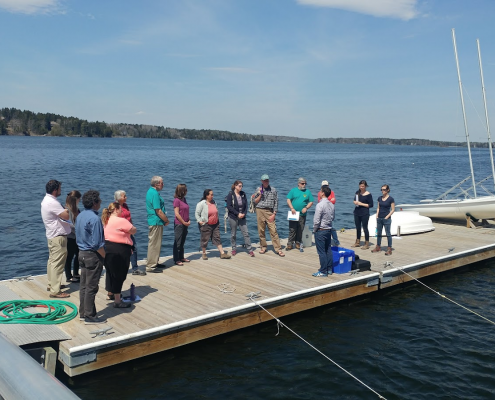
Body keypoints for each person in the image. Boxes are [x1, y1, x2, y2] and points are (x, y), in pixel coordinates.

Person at [76, 190, 107, 324]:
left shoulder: (80, 215)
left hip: (81, 253)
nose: (100, 202)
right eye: (99, 200)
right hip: (92, 256)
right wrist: (106, 258)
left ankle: (83, 312)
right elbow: (97, 244)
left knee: (83, 285)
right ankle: (90, 316)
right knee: (91, 287)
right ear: (95, 203)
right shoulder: (94, 219)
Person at [41, 179, 71, 298]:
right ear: (55, 190)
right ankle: (55, 290)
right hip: (58, 237)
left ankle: (51, 283)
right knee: (58, 263)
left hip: (51, 235)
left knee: (52, 261)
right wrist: (68, 208)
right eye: (59, 189)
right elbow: (66, 216)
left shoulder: (46, 200)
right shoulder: (53, 203)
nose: (60, 191)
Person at [102, 202, 134, 308]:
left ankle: (110, 293)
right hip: (120, 249)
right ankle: (117, 300)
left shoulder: (105, 219)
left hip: (107, 248)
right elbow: (133, 230)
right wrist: (126, 233)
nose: (122, 211)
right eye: (120, 209)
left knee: (110, 272)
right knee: (120, 274)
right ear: (116, 210)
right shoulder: (121, 221)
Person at [253, 174, 284, 257]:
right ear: (261, 181)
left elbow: (276, 202)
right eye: (264, 180)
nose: (266, 182)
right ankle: (263, 247)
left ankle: (278, 249)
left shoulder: (273, 190)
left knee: (273, 230)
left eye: (267, 180)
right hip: (260, 210)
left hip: (269, 211)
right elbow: (255, 201)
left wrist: (274, 213)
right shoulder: (258, 189)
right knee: (261, 230)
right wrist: (260, 194)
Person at [195, 189, 231, 260]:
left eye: (212, 194)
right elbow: (197, 213)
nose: (212, 196)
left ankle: (222, 253)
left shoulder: (214, 202)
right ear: (207, 195)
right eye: (211, 195)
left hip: (215, 224)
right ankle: (204, 253)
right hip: (206, 224)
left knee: (217, 238)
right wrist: (199, 221)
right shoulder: (202, 204)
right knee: (205, 239)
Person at [115, 190, 145, 276]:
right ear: (119, 198)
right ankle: (118, 268)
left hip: (129, 231)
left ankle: (135, 268)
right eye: (124, 196)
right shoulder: (115, 207)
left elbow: (129, 217)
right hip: (120, 233)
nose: (126, 198)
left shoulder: (125, 205)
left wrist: (132, 228)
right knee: (120, 251)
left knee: (133, 248)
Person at [146, 176, 170, 272]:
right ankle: (151, 266)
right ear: (156, 184)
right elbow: (158, 210)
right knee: (154, 243)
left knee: (157, 243)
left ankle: (154, 262)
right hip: (156, 221)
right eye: (162, 183)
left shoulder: (151, 192)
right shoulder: (154, 193)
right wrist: (166, 220)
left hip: (156, 221)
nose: (163, 184)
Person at [226, 181, 254, 257]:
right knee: (233, 234)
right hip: (233, 217)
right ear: (235, 186)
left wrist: (244, 213)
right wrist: (237, 213)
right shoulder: (230, 195)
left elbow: (246, 205)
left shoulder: (243, 194)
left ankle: (250, 249)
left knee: (246, 233)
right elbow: (229, 206)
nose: (240, 187)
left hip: (242, 217)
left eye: (241, 186)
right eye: (239, 186)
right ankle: (234, 249)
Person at [312, 186, 335, 277]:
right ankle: (329, 269)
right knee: (328, 249)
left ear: (322, 193)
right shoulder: (332, 205)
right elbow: (333, 217)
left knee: (321, 252)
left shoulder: (320, 205)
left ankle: (323, 271)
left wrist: (314, 229)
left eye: (320, 191)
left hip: (321, 230)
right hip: (328, 229)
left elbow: (316, 220)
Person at [286, 177, 314, 250]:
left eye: (305, 184)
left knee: (300, 229)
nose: (304, 185)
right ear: (298, 184)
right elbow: (288, 199)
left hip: (302, 214)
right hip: (294, 213)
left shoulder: (307, 192)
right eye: (302, 183)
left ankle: (298, 242)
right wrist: (292, 208)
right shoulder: (293, 191)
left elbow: (311, 201)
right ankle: (290, 243)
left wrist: (306, 208)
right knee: (292, 229)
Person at [371, 185, 395, 256]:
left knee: (388, 233)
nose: (382, 191)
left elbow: (393, 209)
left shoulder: (391, 199)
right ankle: (378, 246)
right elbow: (378, 207)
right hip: (379, 218)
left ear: (387, 190)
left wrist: (387, 216)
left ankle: (389, 248)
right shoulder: (379, 198)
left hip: (386, 219)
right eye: (381, 189)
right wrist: (377, 215)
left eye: (384, 189)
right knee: (379, 233)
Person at [65, 190, 81, 283]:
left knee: (78, 254)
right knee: (69, 257)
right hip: (70, 236)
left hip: (76, 236)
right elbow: (70, 224)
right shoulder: (68, 209)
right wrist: (78, 232)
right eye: (79, 199)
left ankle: (76, 273)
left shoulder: (76, 208)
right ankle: (68, 276)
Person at [352, 180, 373, 249]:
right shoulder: (357, 193)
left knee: (365, 228)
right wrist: (355, 202)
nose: (361, 187)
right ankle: (357, 242)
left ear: (365, 186)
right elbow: (355, 200)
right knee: (358, 227)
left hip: (365, 213)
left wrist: (361, 204)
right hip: (357, 212)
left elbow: (371, 205)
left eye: (363, 186)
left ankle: (366, 243)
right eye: (360, 186)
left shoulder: (368, 194)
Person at [173, 184, 191, 265]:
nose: (187, 191)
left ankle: (181, 257)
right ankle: (176, 259)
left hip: (185, 223)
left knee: (183, 241)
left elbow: (186, 210)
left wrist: (188, 220)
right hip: (179, 224)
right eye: (185, 190)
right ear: (182, 191)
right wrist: (183, 222)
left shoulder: (184, 199)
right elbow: (177, 213)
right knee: (178, 241)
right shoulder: (176, 200)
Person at [317, 180, 340, 246]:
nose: (325, 187)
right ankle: (325, 240)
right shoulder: (320, 193)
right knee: (323, 226)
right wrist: (330, 200)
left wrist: (327, 201)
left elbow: (334, 201)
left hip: (331, 210)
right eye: (324, 186)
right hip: (323, 211)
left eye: (326, 186)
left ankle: (336, 241)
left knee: (332, 227)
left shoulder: (331, 192)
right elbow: (320, 201)